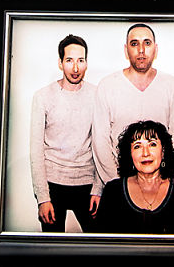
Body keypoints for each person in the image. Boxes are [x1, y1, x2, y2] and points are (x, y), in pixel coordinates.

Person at [92, 23, 174, 185]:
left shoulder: (172, 85)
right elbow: (100, 141)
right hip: (120, 182)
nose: (141, 50)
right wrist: (117, 184)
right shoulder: (107, 86)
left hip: (161, 183)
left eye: (147, 43)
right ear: (126, 50)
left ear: (155, 49)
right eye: (134, 44)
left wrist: (168, 178)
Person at [30, 34, 102, 232]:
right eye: (69, 60)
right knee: (51, 252)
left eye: (81, 60)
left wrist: (98, 189)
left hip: (86, 184)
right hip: (53, 184)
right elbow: (36, 150)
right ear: (60, 63)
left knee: (99, 248)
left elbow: (103, 145)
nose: (76, 68)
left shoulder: (97, 95)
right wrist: (43, 198)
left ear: (87, 62)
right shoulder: (43, 97)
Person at [94, 120, 174, 234]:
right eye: (137, 146)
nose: (145, 153)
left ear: (163, 151)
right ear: (130, 154)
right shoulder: (113, 191)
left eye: (152, 144)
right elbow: (102, 245)